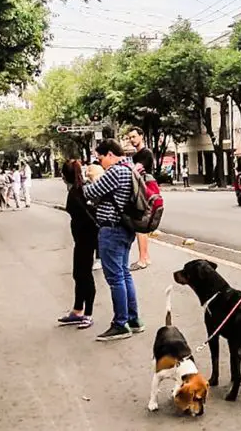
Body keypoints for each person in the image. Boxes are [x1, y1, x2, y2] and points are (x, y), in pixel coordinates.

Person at [83, 139, 143, 342]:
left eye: (100, 159)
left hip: (112, 228)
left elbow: (89, 192)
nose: (100, 163)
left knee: (116, 278)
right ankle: (133, 320)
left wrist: (91, 177)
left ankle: (120, 324)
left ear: (109, 154)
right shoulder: (130, 167)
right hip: (125, 228)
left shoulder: (116, 171)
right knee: (124, 274)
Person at [58, 160, 99, 329]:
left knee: (85, 275)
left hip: (85, 239)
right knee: (78, 274)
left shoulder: (76, 193)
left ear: (64, 176)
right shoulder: (80, 189)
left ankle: (87, 314)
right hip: (83, 239)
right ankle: (77, 310)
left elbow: (88, 217)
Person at [127, 127, 154, 272]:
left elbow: (136, 170)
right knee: (140, 224)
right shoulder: (135, 155)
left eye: (134, 136)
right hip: (139, 189)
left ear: (141, 136)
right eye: (130, 137)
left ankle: (143, 259)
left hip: (145, 190)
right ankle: (146, 256)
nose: (132, 140)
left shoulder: (146, 153)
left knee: (140, 226)